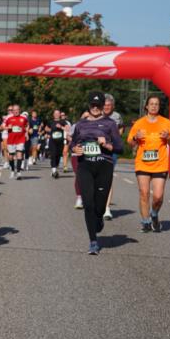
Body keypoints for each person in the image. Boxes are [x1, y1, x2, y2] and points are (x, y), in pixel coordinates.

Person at [70, 91, 123, 255]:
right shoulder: (80, 124)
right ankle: (93, 241)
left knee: (99, 207)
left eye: (98, 105)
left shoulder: (110, 124)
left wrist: (107, 145)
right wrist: (75, 148)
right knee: (88, 204)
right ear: (89, 106)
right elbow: (73, 143)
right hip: (85, 166)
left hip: (104, 167)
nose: (95, 108)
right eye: (92, 105)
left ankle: (99, 217)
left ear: (102, 106)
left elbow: (120, 147)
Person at [127, 95, 170, 233]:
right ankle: (145, 221)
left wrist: (168, 138)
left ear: (159, 107)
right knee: (144, 193)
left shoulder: (166, 123)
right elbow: (130, 142)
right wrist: (136, 137)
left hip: (160, 164)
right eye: (151, 104)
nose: (154, 106)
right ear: (146, 106)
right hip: (142, 163)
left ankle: (154, 214)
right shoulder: (139, 123)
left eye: (157, 104)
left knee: (158, 196)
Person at [102, 93, 123, 219]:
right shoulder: (96, 115)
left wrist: (116, 139)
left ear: (113, 106)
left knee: (107, 178)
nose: (107, 107)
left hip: (111, 150)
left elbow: (121, 129)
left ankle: (107, 208)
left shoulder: (117, 117)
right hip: (97, 150)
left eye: (109, 105)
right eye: (105, 105)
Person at [1, 104, 28, 179]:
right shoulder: (8, 118)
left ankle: (19, 172)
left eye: (17, 109)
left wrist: (26, 133)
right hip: (11, 140)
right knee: (11, 157)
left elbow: (27, 125)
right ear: (12, 111)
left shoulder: (24, 118)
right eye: (14, 110)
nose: (16, 111)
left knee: (19, 155)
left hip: (20, 139)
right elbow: (2, 126)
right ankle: (13, 170)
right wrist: (7, 127)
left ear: (20, 110)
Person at [46, 109, 70, 179]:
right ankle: (54, 170)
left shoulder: (63, 121)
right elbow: (46, 128)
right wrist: (50, 130)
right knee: (53, 155)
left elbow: (68, 129)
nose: (56, 114)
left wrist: (61, 127)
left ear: (60, 114)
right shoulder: (50, 121)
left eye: (58, 113)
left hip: (60, 142)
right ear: (53, 114)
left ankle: (55, 168)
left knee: (58, 155)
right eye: (55, 113)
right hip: (52, 141)